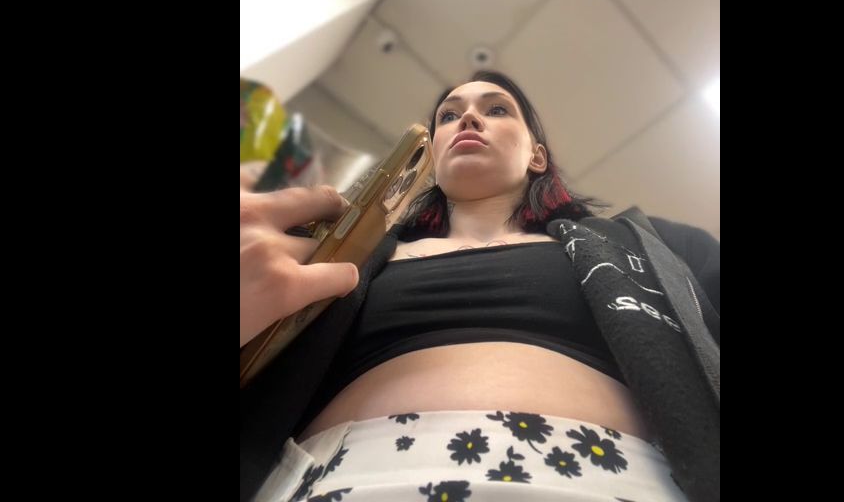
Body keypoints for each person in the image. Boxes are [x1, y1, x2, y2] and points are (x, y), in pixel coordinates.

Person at [240, 71, 720, 502]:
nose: (468, 118)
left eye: (496, 109)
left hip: (613, 480)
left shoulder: (654, 247)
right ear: (432, 154)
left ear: (537, 156)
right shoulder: (336, 256)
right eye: (448, 116)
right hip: (336, 482)